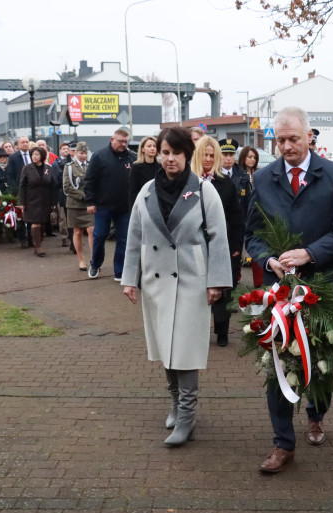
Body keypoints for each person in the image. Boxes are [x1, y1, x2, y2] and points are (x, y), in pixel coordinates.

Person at [243, 106, 333, 474]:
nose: (287, 147)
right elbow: (252, 235)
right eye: (280, 140)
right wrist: (267, 259)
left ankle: (316, 414)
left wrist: (310, 253)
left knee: (321, 364)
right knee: (276, 364)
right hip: (278, 293)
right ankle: (282, 443)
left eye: (294, 139)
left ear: (310, 136)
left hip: (322, 286)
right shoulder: (263, 178)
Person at [121, 127, 232, 447]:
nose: (170, 158)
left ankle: (186, 416)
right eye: (165, 152)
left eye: (176, 153)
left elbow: (218, 238)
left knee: (184, 349)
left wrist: (217, 282)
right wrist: (130, 278)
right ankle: (175, 405)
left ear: (187, 155)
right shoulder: (146, 191)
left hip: (191, 281)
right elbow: (134, 237)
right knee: (164, 347)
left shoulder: (203, 191)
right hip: (155, 280)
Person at [192, 136, 244, 347]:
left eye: (213, 156)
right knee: (196, 290)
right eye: (205, 154)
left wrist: (235, 247)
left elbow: (236, 218)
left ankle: (222, 331)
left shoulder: (226, 183)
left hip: (221, 245)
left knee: (221, 290)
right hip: (194, 246)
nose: (208, 159)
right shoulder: (187, 182)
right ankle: (197, 330)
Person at [84, 126, 136, 279]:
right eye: (120, 141)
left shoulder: (132, 158)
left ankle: (119, 271)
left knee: (124, 238)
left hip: (124, 206)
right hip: (103, 205)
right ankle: (95, 264)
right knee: (99, 235)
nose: (123, 145)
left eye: (126, 142)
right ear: (112, 140)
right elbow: (89, 180)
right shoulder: (99, 156)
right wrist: (90, 201)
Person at [20, 146, 59, 257]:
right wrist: (22, 202)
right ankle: (37, 246)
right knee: (35, 223)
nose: (34, 157)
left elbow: (53, 186)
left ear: (42, 156)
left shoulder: (49, 168)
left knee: (42, 223)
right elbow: (22, 186)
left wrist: (53, 202)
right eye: (33, 155)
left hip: (45, 200)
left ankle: (39, 243)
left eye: (37, 155)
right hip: (31, 200)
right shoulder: (27, 168)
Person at [64, 141, 93, 271]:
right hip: (75, 204)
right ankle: (81, 259)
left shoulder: (90, 165)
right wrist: (83, 195)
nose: (83, 156)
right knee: (77, 231)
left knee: (92, 230)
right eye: (81, 153)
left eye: (85, 153)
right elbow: (67, 187)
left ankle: (94, 258)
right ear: (75, 153)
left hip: (89, 205)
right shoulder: (69, 167)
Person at [219, 138, 252, 218]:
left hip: (239, 222)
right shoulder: (212, 175)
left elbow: (248, 204)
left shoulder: (243, 176)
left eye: (231, 155)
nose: (228, 158)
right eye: (225, 155)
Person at [129, 135, 160, 204]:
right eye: (149, 146)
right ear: (142, 149)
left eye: (154, 146)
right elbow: (133, 192)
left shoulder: (160, 167)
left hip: (158, 205)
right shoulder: (136, 167)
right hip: (142, 203)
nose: (152, 148)